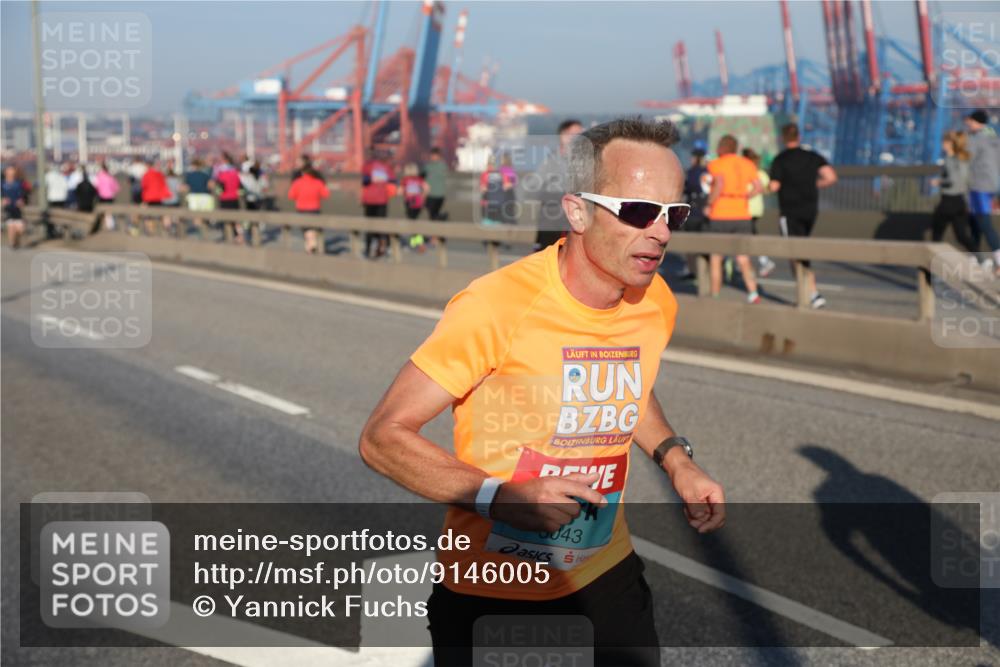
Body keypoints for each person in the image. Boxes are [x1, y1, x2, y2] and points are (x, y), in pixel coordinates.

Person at [359, 118, 724, 667]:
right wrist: (500, 497)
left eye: (674, 214)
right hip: (491, 592)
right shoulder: (495, 306)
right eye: (638, 211)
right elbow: (382, 438)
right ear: (577, 212)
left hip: (606, 575)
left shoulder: (654, 301)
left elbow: (630, 385)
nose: (661, 232)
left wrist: (676, 459)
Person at [768, 123, 838, 308]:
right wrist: (813, 185)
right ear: (799, 137)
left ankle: (811, 293)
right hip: (810, 211)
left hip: (790, 212)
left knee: (793, 253)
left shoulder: (780, 159)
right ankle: (810, 293)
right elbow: (831, 177)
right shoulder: (812, 156)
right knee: (801, 250)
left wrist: (763, 188)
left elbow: (774, 186)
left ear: (783, 138)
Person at [705, 135, 763, 303]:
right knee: (743, 258)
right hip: (742, 214)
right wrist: (745, 196)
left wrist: (709, 203)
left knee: (716, 257)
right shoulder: (747, 164)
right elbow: (758, 187)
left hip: (720, 213)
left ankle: (715, 295)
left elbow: (719, 184)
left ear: (721, 147)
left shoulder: (716, 164)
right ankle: (753, 293)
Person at [533, 118, 583, 249]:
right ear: (563, 135)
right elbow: (535, 185)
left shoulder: (583, 161)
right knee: (547, 254)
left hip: (573, 218)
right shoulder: (550, 160)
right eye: (575, 134)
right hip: (551, 218)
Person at [963, 109, 1000, 275]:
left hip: (979, 185)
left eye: (970, 120)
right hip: (992, 184)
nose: (967, 123)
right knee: (975, 219)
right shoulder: (994, 138)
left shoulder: (975, 139)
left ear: (974, 121)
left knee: (983, 222)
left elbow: (966, 159)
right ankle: (976, 257)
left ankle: (998, 258)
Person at [931, 131, 977, 253]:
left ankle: (933, 261)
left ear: (950, 143)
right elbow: (966, 180)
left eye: (944, 142)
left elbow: (954, 180)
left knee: (937, 233)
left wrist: (939, 181)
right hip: (960, 201)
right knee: (961, 235)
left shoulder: (951, 160)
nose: (942, 144)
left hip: (949, 200)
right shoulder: (963, 158)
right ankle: (981, 258)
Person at [742, 148, 776, 278]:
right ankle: (754, 262)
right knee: (749, 234)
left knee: (749, 235)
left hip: (746, 209)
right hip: (757, 209)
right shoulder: (761, 173)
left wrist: (746, 196)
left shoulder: (746, 172)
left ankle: (764, 261)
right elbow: (768, 188)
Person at [361, 147, 396, 258]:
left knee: (370, 226)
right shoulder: (386, 167)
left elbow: (365, 181)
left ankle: (369, 249)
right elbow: (393, 181)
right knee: (382, 225)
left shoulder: (368, 166)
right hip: (382, 200)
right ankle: (385, 247)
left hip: (370, 200)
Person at [288, 164, 329, 254]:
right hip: (315, 209)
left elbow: (291, 196)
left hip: (301, 210)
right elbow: (326, 194)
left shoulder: (297, 182)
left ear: (302, 173)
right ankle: (312, 247)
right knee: (313, 229)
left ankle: (310, 248)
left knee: (306, 230)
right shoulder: (318, 182)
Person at [2, 165, 28, 249]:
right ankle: (12, 243)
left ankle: (16, 240)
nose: (11, 173)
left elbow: (24, 195)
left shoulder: (19, 183)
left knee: (21, 229)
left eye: (12, 171)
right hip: (7, 209)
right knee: (11, 227)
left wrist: (22, 201)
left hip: (17, 209)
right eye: (9, 171)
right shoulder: (2, 184)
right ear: (5, 172)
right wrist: (2, 201)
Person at [423, 147, 449, 221]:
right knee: (432, 214)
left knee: (433, 215)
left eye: (435, 155)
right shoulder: (428, 166)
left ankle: (442, 217)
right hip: (430, 194)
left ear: (439, 156)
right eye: (432, 155)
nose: (433, 157)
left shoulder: (442, 166)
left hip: (438, 194)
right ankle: (442, 216)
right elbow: (423, 179)